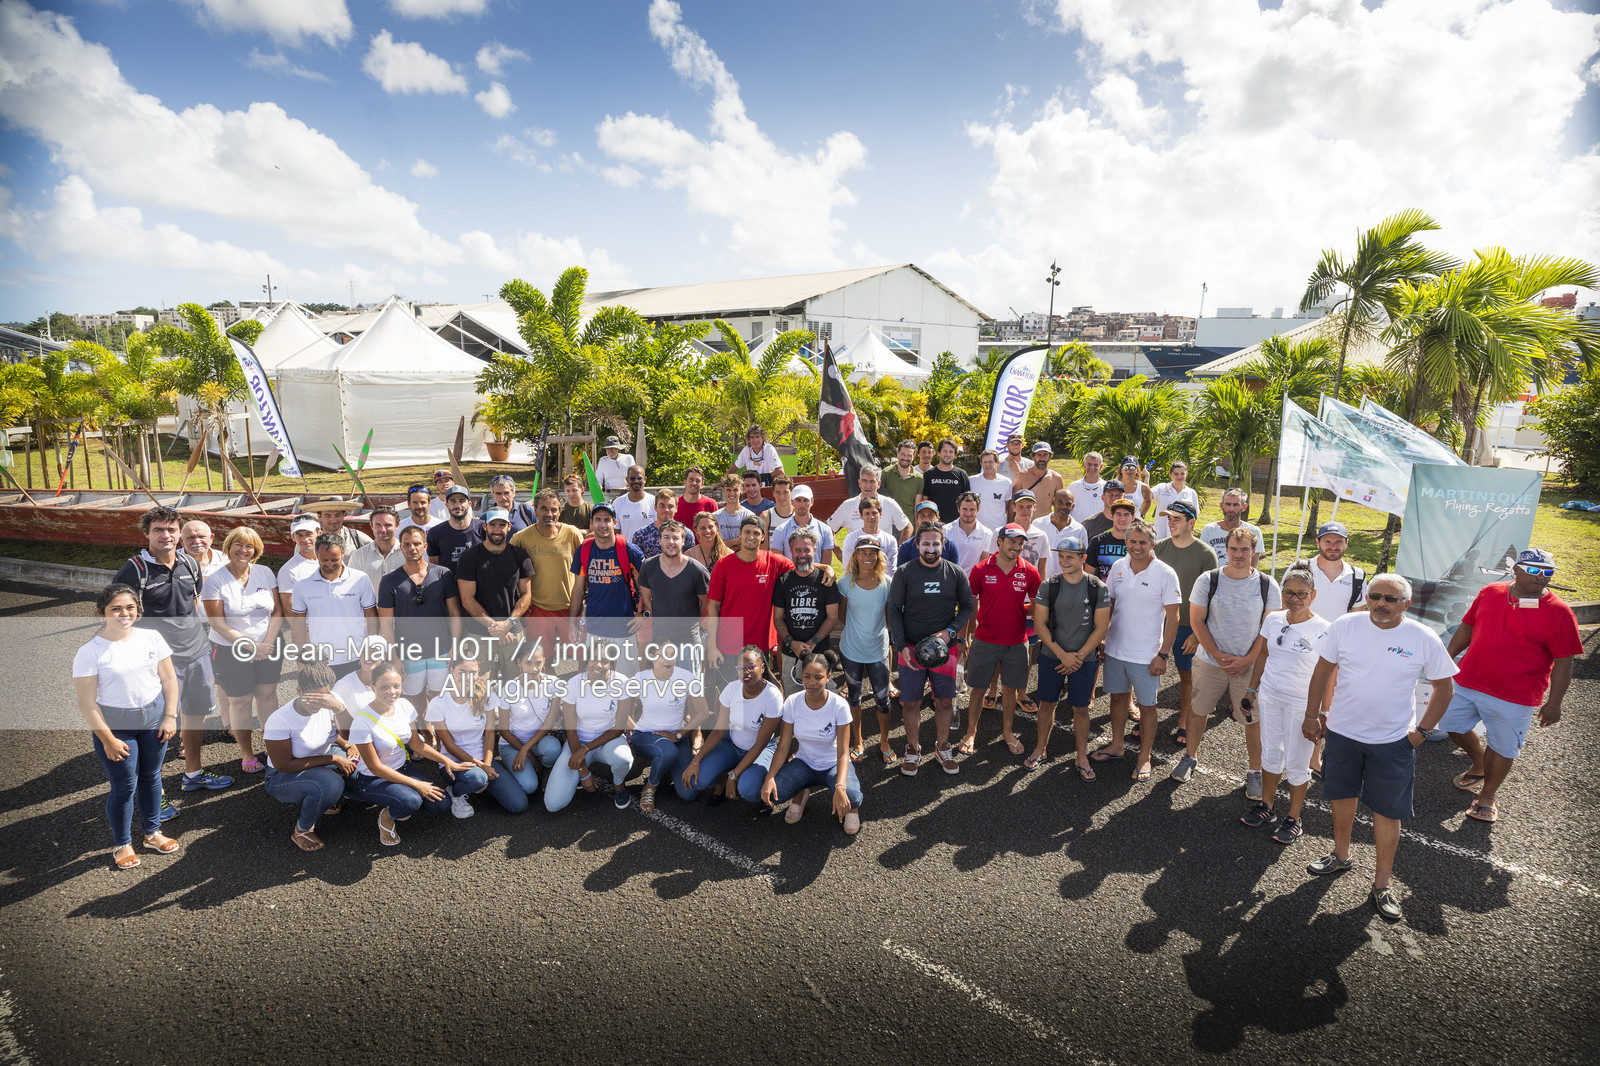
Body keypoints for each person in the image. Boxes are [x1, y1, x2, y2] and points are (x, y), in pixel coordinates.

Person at [1303, 574, 1458, 922]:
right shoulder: (1346, 625)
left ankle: (1382, 884)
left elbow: (1444, 689)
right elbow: (1321, 672)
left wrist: (1421, 732)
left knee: (1387, 812)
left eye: (1390, 598)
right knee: (1341, 797)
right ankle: (1341, 856)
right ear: (1368, 597)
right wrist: (1313, 715)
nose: (1381, 604)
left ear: (1406, 603)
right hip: (1342, 734)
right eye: (1375, 596)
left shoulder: (1423, 637)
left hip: (1393, 742)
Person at [1439, 548, 1582, 824]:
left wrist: (1555, 703)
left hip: (1516, 695)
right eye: (1534, 571)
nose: (1541, 578)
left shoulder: (1560, 612)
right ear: (1515, 570)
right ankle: (1479, 763)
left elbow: (1564, 661)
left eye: (1547, 573)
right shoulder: (1490, 592)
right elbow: (1467, 627)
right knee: (1451, 723)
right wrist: (1446, 662)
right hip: (1468, 680)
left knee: (1503, 747)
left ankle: (1487, 797)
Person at [113, 506, 228, 794]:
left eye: (171, 529)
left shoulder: (189, 564)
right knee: (157, 728)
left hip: (197, 653)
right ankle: (156, 794)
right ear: (146, 534)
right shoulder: (134, 571)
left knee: (196, 716)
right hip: (159, 663)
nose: (166, 535)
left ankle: (193, 774)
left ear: (179, 533)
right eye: (158, 530)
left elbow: (194, 603)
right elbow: (119, 618)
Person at [72, 583, 180, 869]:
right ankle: (122, 844)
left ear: (138, 610)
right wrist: (107, 739)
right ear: (102, 612)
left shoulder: (152, 638)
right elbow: (87, 703)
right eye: (116, 609)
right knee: (124, 786)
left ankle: (152, 833)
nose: (124, 614)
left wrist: (170, 716)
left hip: (154, 718)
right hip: (116, 725)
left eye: (130, 607)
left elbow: (169, 680)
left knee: (152, 777)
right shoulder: (89, 652)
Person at [1170, 528, 1282, 801]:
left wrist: (1248, 660)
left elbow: (1269, 629)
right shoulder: (1209, 580)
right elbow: (1196, 621)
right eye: (1233, 549)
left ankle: (1255, 771)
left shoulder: (1268, 584)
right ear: (1226, 549)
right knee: (1199, 711)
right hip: (1210, 661)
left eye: (1245, 550)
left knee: (1252, 719)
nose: (1239, 555)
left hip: (1249, 667)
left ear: (1254, 552)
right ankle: (1190, 757)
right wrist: (1218, 655)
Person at [1233, 561, 1331, 845]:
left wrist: (1321, 712)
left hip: (1303, 706)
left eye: (1302, 593)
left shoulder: (1325, 629)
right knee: (1270, 756)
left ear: (1313, 595)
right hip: (1270, 698)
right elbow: (1262, 655)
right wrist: (1251, 690)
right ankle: (1267, 806)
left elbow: (1330, 675)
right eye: (1289, 592)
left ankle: (1294, 818)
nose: (1294, 599)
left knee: (1299, 764)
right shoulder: (1273, 618)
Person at [1092, 521, 1180, 782]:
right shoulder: (1119, 567)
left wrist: (1163, 655)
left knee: (1147, 707)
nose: (1137, 547)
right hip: (1116, 650)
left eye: (1143, 542)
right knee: (1118, 699)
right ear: (1126, 542)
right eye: (1132, 541)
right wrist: (1103, 639)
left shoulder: (1166, 573)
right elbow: (1111, 605)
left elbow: (1174, 618)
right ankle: (1117, 745)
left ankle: (1144, 757)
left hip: (1147, 655)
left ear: (1153, 544)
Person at [888, 524, 974, 777]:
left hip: (945, 650)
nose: (931, 549)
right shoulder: (904, 573)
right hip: (912, 650)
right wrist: (901, 646)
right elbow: (894, 610)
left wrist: (951, 631)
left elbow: (968, 606)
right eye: (926, 544)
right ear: (917, 545)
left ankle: (943, 747)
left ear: (943, 544)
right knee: (910, 702)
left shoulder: (956, 573)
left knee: (945, 701)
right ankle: (913, 749)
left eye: (936, 544)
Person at [201, 526, 283, 774]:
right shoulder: (215, 579)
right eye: (238, 544)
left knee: (267, 695)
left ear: (256, 550)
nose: (244, 550)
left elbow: (278, 610)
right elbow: (217, 622)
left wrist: (266, 643)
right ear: (228, 547)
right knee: (240, 702)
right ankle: (246, 753)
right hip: (229, 648)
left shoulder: (265, 572)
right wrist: (249, 646)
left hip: (268, 645)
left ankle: (272, 745)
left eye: (249, 546)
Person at [344, 660, 452, 845]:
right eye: (384, 687)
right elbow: (375, 768)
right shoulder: (362, 722)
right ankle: (386, 816)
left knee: (442, 804)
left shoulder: (404, 706)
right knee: (410, 801)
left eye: (396, 686)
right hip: (373, 779)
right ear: (372, 687)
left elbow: (417, 745)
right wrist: (417, 785)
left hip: (402, 768)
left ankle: (399, 798)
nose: (391, 691)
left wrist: (448, 761)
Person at [958, 525, 1041, 760]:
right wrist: (964, 637)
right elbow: (968, 605)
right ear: (1000, 542)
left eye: (1020, 543)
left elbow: (1037, 605)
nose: (1016, 547)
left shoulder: (1030, 572)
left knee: (1010, 689)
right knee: (978, 689)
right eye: (1012, 542)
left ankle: (1007, 732)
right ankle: (971, 732)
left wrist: (1018, 609)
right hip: (985, 639)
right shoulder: (980, 569)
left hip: (1017, 641)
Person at [1031, 535, 1110, 776]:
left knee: (1081, 709)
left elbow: (1102, 627)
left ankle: (1081, 756)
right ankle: (1040, 748)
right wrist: (1062, 655)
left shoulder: (1097, 587)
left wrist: (1078, 656)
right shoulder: (1049, 585)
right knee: (1047, 703)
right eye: (1061, 556)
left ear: (1083, 559)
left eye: (1070, 557)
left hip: (1083, 661)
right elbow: (1040, 624)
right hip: (1052, 657)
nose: (1064, 561)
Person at [261, 662, 360, 852]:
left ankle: (328, 800)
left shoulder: (332, 701)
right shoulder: (279, 720)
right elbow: (284, 764)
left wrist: (340, 714)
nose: (318, 703)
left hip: (319, 758)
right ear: (298, 690)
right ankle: (302, 830)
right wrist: (335, 759)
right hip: (282, 775)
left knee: (360, 770)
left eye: (323, 697)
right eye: (312, 698)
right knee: (331, 784)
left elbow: (346, 735)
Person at [760, 654, 862, 834]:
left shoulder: (839, 705)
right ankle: (802, 791)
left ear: (828, 677)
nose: (811, 683)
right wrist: (770, 778)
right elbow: (783, 746)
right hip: (804, 762)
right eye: (807, 676)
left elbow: (843, 753)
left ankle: (851, 808)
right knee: (777, 793)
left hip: (833, 764)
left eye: (818, 677)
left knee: (852, 797)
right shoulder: (792, 702)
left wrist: (840, 786)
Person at [676, 645, 784, 805]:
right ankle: (723, 776)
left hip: (761, 749)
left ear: (762, 667)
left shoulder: (773, 696)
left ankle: (742, 777)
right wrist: (695, 761)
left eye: (751, 666)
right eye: (740, 667)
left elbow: (760, 743)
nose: (745, 671)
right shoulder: (732, 688)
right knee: (698, 780)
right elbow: (719, 730)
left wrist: (734, 775)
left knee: (748, 789)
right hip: (732, 745)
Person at [428, 658, 529, 815]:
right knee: (477, 778)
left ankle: (480, 781)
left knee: (518, 805)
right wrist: (481, 768)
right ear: (452, 670)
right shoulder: (438, 703)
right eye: (462, 672)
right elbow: (449, 745)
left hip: (483, 759)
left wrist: (487, 764)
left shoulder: (486, 695)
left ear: (478, 672)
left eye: (472, 673)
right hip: (455, 762)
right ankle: (455, 792)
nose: (467, 677)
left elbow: (489, 735)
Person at [706, 517, 796, 690]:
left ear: (763, 537)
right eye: (747, 532)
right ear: (739, 534)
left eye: (756, 533)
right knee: (726, 693)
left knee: (759, 691)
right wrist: (712, 646)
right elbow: (713, 607)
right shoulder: (724, 565)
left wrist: (826, 568)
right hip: (729, 643)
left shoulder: (774, 562)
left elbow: (803, 568)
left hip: (760, 644)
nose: (751, 536)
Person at [1153, 501, 1216, 746]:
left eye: (1177, 519)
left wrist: (1198, 635)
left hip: (1189, 627)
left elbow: (1213, 598)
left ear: (1192, 522)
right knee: (1150, 672)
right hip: (1160, 623)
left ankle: (1184, 721)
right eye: (1169, 519)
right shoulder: (1158, 548)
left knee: (1187, 676)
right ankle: (1148, 717)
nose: (1171, 523)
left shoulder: (1205, 553)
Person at [378, 526, 462, 705]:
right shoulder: (389, 581)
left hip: (441, 650)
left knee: (440, 698)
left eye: (416, 544)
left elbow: (455, 613)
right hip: (408, 652)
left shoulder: (443, 574)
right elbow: (385, 624)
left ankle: (438, 731)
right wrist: (394, 655)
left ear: (425, 546)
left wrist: (454, 645)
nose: (412, 548)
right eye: (406, 544)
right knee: (414, 699)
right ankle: (424, 732)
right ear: (400, 547)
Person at [545, 652, 634, 813]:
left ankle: (619, 785)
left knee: (624, 760)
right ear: (587, 661)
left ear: (611, 665)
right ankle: (580, 776)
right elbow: (570, 731)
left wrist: (584, 751)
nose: (598, 665)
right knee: (553, 804)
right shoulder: (573, 684)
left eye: (604, 661)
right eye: (594, 659)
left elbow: (619, 727)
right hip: (577, 742)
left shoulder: (622, 682)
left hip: (609, 741)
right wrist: (584, 772)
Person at [625, 644, 704, 813]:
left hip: (676, 737)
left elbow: (703, 712)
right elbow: (622, 711)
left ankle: (664, 766)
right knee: (667, 751)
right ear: (652, 656)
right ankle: (650, 786)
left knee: (688, 793)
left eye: (672, 655)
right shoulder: (640, 678)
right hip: (646, 735)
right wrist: (632, 729)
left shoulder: (686, 677)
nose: (669, 659)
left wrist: (679, 735)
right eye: (663, 655)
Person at [569, 502, 646, 672]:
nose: (602, 525)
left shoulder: (628, 550)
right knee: (597, 678)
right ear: (591, 523)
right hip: (595, 627)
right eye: (598, 520)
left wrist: (645, 614)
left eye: (607, 520)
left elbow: (648, 586)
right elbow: (578, 589)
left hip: (624, 628)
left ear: (615, 522)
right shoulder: (583, 551)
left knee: (626, 681)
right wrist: (571, 623)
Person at [289, 533, 378, 680]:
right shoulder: (302, 584)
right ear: (316, 555)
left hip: (356, 657)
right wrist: (300, 660)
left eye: (334, 559)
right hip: (320, 660)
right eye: (324, 560)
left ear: (343, 553)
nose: (330, 564)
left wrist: (371, 649)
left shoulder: (361, 579)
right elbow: (297, 625)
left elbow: (372, 617)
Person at [510, 488, 585, 655]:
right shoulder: (521, 538)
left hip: (571, 609)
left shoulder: (572, 533)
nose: (549, 513)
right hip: (538, 610)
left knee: (579, 657)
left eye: (554, 509)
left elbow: (584, 569)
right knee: (542, 658)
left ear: (560, 511)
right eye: (543, 508)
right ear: (535, 509)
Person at [838, 539, 893, 765]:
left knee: (883, 700)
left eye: (873, 552)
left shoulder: (887, 583)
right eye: (863, 553)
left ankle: (885, 741)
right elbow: (841, 615)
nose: (868, 556)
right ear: (856, 556)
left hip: (878, 652)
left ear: (879, 556)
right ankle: (858, 741)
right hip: (851, 651)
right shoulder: (845, 583)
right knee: (854, 699)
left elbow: (889, 616)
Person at [455, 509, 534, 660]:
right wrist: (496, 627)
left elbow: (526, 594)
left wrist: (508, 623)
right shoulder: (469, 557)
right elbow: (467, 599)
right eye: (493, 525)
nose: (497, 530)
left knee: (514, 682)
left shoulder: (519, 555)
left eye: (502, 525)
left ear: (509, 527)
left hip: (513, 630)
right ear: (485, 526)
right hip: (479, 632)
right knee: (478, 682)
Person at [493, 643, 566, 802]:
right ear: (519, 662)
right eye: (528, 663)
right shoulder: (509, 689)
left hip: (539, 739)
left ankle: (547, 769)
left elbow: (549, 723)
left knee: (553, 749)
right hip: (512, 744)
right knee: (529, 787)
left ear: (544, 661)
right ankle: (523, 765)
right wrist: (529, 755)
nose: (533, 668)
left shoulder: (553, 683)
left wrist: (527, 751)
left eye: (538, 663)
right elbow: (504, 731)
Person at [773, 528, 841, 690]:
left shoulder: (826, 579)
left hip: (820, 651)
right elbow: (777, 618)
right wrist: (791, 643)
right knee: (792, 699)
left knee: (824, 699)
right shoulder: (783, 581)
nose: (802, 555)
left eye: (806, 550)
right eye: (798, 550)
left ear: (815, 550)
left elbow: (832, 617)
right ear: (791, 551)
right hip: (790, 653)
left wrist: (813, 642)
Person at [636, 520, 710, 660]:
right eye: (666, 537)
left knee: (689, 680)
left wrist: (691, 624)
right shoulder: (648, 566)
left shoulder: (697, 570)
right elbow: (646, 599)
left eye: (676, 538)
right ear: (659, 540)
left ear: (683, 541)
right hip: (660, 638)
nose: (671, 542)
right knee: (661, 679)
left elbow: (705, 603)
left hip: (688, 639)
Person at [831, 465, 911, 542]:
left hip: (883, 555)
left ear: (878, 484)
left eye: (872, 481)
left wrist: (899, 551)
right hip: (856, 555)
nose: (868, 486)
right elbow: (829, 529)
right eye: (864, 481)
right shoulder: (847, 505)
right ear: (859, 483)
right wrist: (839, 553)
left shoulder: (889, 504)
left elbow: (908, 527)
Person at [1307, 521, 1367, 620]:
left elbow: (1357, 618)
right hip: (1302, 634)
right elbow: (1285, 609)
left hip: (1338, 635)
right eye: (1328, 541)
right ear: (1318, 542)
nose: (1333, 547)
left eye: (1339, 542)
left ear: (1346, 543)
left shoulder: (1357, 576)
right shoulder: (1299, 568)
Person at [1199, 487, 1266, 565]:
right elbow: (1202, 561)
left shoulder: (1254, 531)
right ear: (1221, 505)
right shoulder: (1209, 530)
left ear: (1244, 507)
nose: (1231, 509)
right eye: (1228, 504)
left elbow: (1253, 567)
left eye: (1236, 505)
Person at [770, 484, 834, 566]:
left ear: (812, 502)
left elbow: (826, 566)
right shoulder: (780, 530)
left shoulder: (825, 530)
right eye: (798, 500)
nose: (802, 504)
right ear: (792, 502)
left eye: (806, 500)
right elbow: (777, 564)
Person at [1033, 488, 1087, 580]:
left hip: (1068, 584)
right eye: (1060, 502)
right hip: (1040, 582)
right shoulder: (1038, 524)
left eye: (1068, 504)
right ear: (1053, 503)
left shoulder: (1079, 530)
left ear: (1072, 507)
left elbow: (1083, 560)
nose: (1063, 506)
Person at [427, 486, 484, 570]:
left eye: (462, 501)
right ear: (446, 505)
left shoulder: (483, 529)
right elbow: (434, 567)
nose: (457, 505)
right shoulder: (435, 533)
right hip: (448, 582)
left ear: (469, 504)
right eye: (453, 501)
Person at [349, 505, 404, 591]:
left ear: (397, 526)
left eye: (387, 525)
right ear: (371, 526)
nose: (383, 530)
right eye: (378, 525)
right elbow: (352, 587)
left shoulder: (408, 554)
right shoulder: (358, 556)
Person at [633, 489, 699, 560]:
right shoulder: (641, 535)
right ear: (655, 508)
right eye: (662, 506)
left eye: (670, 506)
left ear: (676, 508)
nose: (666, 510)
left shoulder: (686, 535)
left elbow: (690, 562)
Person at [921, 439, 971, 522]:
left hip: (956, 524)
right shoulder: (928, 475)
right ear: (938, 453)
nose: (948, 454)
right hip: (934, 524)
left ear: (955, 454)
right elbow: (925, 500)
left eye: (951, 452)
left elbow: (967, 500)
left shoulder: (962, 474)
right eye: (945, 451)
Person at [1086, 496, 1136, 579]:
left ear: (1133, 517)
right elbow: (1088, 575)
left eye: (1126, 515)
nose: (1122, 519)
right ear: (1112, 516)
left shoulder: (1137, 543)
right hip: (1103, 590)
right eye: (1118, 514)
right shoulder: (1097, 541)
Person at [944, 492, 994, 573]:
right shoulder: (945, 530)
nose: (968, 513)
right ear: (958, 509)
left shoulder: (987, 533)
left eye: (972, 510)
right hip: (951, 580)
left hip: (973, 582)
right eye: (964, 509)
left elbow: (984, 563)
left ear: (978, 510)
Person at [897, 505, 961, 568]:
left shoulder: (950, 546)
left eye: (930, 516)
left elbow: (955, 574)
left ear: (937, 518)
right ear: (917, 518)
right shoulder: (906, 547)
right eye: (922, 516)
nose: (926, 519)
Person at [1150, 461, 1199, 540]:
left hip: (1181, 539)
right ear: (1170, 475)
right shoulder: (1162, 488)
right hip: (1160, 536)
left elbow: (1194, 518)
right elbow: (1147, 496)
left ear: (1186, 473)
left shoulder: (1191, 493)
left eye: (1182, 474)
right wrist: (1146, 477)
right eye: (1176, 474)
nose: (1179, 476)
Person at [1011, 441, 1064, 513]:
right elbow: (1013, 502)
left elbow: (1061, 505)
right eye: (1039, 455)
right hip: (1025, 522)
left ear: (1049, 456)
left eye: (1045, 454)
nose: (1042, 458)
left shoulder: (1056, 478)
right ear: (1033, 456)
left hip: (1045, 523)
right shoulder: (1022, 476)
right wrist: (1010, 522)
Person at [308, 497, 372, 555]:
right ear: (319, 517)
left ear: (343, 515)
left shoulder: (355, 537)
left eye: (337, 515)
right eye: (328, 516)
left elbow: (375, 551)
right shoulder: (309, 539)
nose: (333, 520)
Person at [880, 440, 923, 520]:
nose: (905, 458)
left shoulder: (919, 478)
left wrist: (917, 529)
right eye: (903, 454)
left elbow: (917, 508)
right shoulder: (886, 473)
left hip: (909, 524)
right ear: (897, 454)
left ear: (914, 457)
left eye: (909, 455)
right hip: (889, 522)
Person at [972, 450, 1013, 529]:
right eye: (985, 462)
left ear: (997, 463)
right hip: (977, 530)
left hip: (998, 530)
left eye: (990, 462)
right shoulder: (972, 481)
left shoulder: (1007, 482)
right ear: (981, 464)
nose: (988, 465)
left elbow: (1008, 506)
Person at [714, 473, 757, 546]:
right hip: (722, 557)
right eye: (728, 490)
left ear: (741, 490)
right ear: (723, 490)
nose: (732, 493)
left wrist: (725, 544)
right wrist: (738, 541)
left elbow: (751, 543)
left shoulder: (749, 516)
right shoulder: (715, 517)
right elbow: (713, 545)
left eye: (735, 490)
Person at [612, 466, 654, 541]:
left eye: (639, 478)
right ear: (627, 480)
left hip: (648, 552)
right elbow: (615, 533)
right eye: (632, 478)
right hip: (626, 551)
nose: (636, 481)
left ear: (645, 480)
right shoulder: (618, 503)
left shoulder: (654, 502)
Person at [1067, 451, 1107, 525]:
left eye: (1096, 465)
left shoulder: (1106, 487)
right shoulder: (1073, 486)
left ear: (1101, 467)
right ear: (1084, 466)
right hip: (1078, 532)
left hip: (1100, 532)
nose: (1092, 468)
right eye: (1089, 464)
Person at [760, 473, 796, 548]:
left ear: (792, 493)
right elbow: (763, 550)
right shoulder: (766, 516)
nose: (781, 496)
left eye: (785, 492)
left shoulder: (798, 515)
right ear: (773, 493)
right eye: (778, 492)